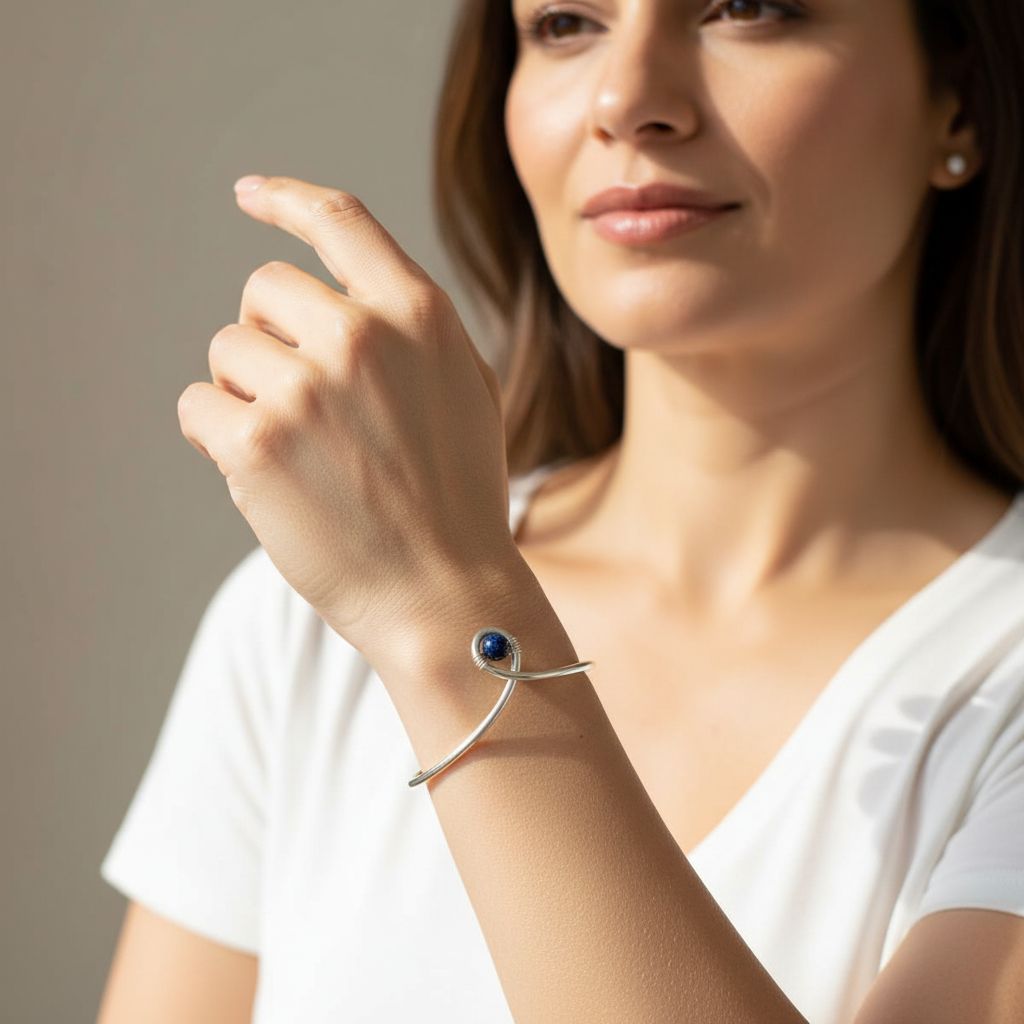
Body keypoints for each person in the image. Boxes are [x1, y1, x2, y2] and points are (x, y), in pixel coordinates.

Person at [97, 1, 1024, 1022]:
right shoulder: (300, 629)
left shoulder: (397, 596)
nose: (627, 99)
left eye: (746, 8)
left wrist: (449, 609)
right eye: (566, 22)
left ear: (959, 100)